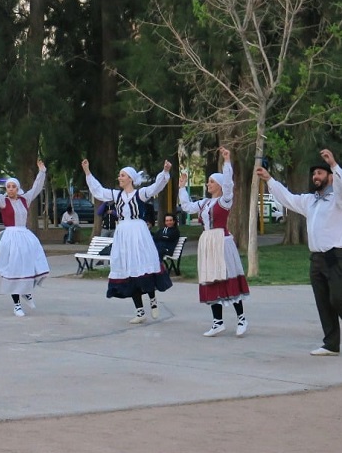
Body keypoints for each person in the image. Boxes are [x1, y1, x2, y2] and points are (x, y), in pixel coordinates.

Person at [257, 149, 342, 355]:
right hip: (316, 258)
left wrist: (334, 165)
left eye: (320, 174)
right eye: (314, 174)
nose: (316, 177)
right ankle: (331, 344)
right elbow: (287, 198)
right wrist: (269, 179)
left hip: (335, 256)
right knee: (323, 301)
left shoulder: (338, 199)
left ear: (329, 177)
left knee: (338, 299)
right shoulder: (309, 200)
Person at [82, 158, 173, 324]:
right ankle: (140, 311)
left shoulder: (141, 193)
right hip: (123, 234)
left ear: (130, 178)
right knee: (128, 269)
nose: (120, 178)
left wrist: (165, 172)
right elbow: (98, 191)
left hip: (138, 233)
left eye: (122, 175)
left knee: (143, 265)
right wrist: (88, 172)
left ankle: (152, 298)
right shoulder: (116, 195)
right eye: (119, 175)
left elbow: (156, 187)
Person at [179, 147, 249, 337]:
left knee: (227, 276)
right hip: (207, 241)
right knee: (211, 277)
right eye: (208, 181)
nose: (208, 184)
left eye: (211, 181)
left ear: (219, 184)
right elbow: (186, 206)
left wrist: (227, 162)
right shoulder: (203, 203)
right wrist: (181, 188)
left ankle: (241, 318)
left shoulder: (224, 201)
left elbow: (229, 186)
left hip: (221, 240)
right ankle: (217, 322)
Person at [0, 160, 50, 316]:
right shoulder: (3, 201)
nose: (11, 189)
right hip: (11, 238)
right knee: (14, 269)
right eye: (8, 187)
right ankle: (17, 303)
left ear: (18, 188)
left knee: (31, 264)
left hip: (25, 236)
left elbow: (37, 188)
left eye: (13, 187)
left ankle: (27, 292)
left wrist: (42, 172)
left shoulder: (25, 199)